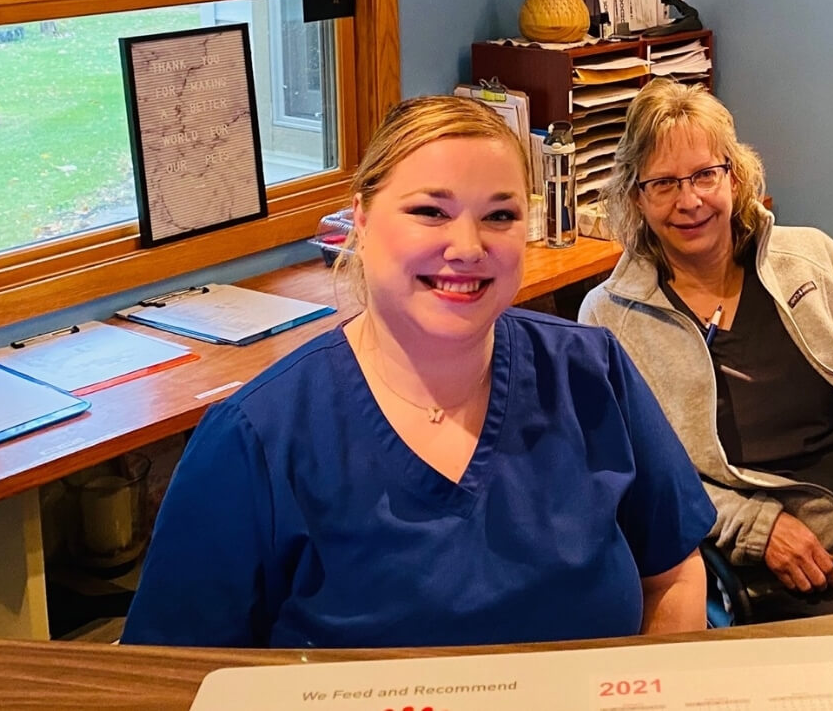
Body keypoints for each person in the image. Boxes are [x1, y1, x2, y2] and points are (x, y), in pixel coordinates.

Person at [123, 95, 716, 648]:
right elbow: (170, 678)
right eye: (430, 211)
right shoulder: (255, 439)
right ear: (360, 218)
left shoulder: (592, 374)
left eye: (500, 215)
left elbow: (673, 573)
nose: (466, 246)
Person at [580, 80, 833, 618]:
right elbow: (644, 477)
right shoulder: (611, 320)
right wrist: (754, 526)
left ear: (736, 174)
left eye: (706, 174)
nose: (690, 201)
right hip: (810, 571)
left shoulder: (813, 259)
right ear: (635, 195)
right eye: (663, 183)